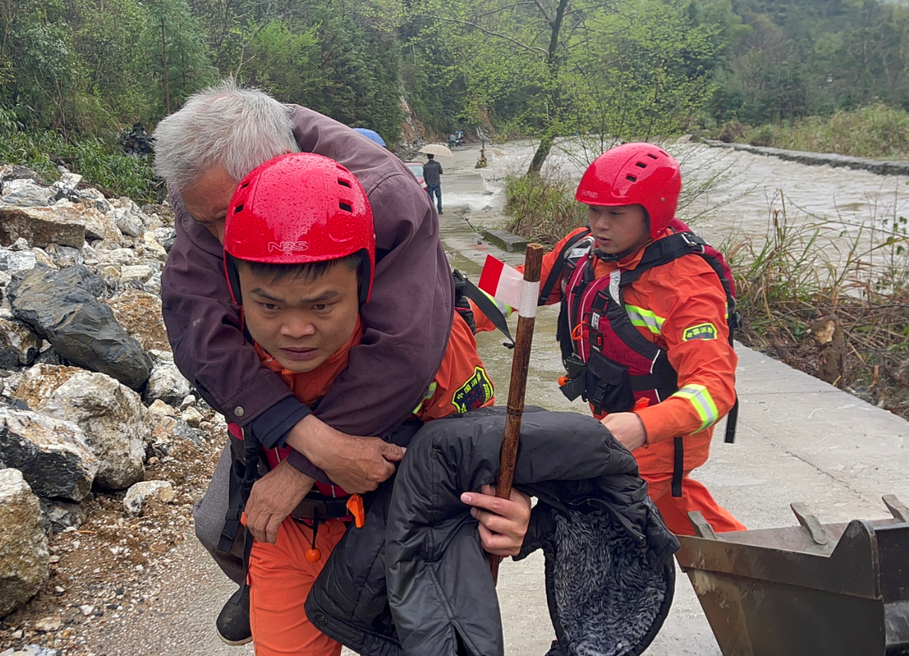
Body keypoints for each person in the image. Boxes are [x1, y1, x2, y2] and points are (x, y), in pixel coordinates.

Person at [154, 80, 457, 645]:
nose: (223, 242)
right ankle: (261, 583)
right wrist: (309, 444)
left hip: (390, 411)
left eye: (226, 218)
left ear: (281, 168)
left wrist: (301, 469)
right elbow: (195, 330)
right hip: (294, 399)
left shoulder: (383, 193)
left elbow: (405, 350)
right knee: (217, 523)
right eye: (207, 223)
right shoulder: (206, 190)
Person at [221, 152, 530, 655]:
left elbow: (479, 453)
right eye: (269, 305)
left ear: (365, 283)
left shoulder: (432, 342)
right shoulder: (226, 344)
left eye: (323, 304)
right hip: (290, 537)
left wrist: (511, 510)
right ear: (237, 291)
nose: (295, 330)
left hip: (405, 545)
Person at [512, 142, 746, 536]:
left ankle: (759, 576)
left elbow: (714, 390)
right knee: (689, 521)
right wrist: (450, 303)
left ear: (652, 215)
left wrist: (643, 424)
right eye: (593, 210)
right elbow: (518, 289)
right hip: (614, 424)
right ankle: (762, 576)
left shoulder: (688, 287)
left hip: (657, 440)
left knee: (590, 532)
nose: (599, 224)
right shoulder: (582, 251)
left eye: (615, 214)